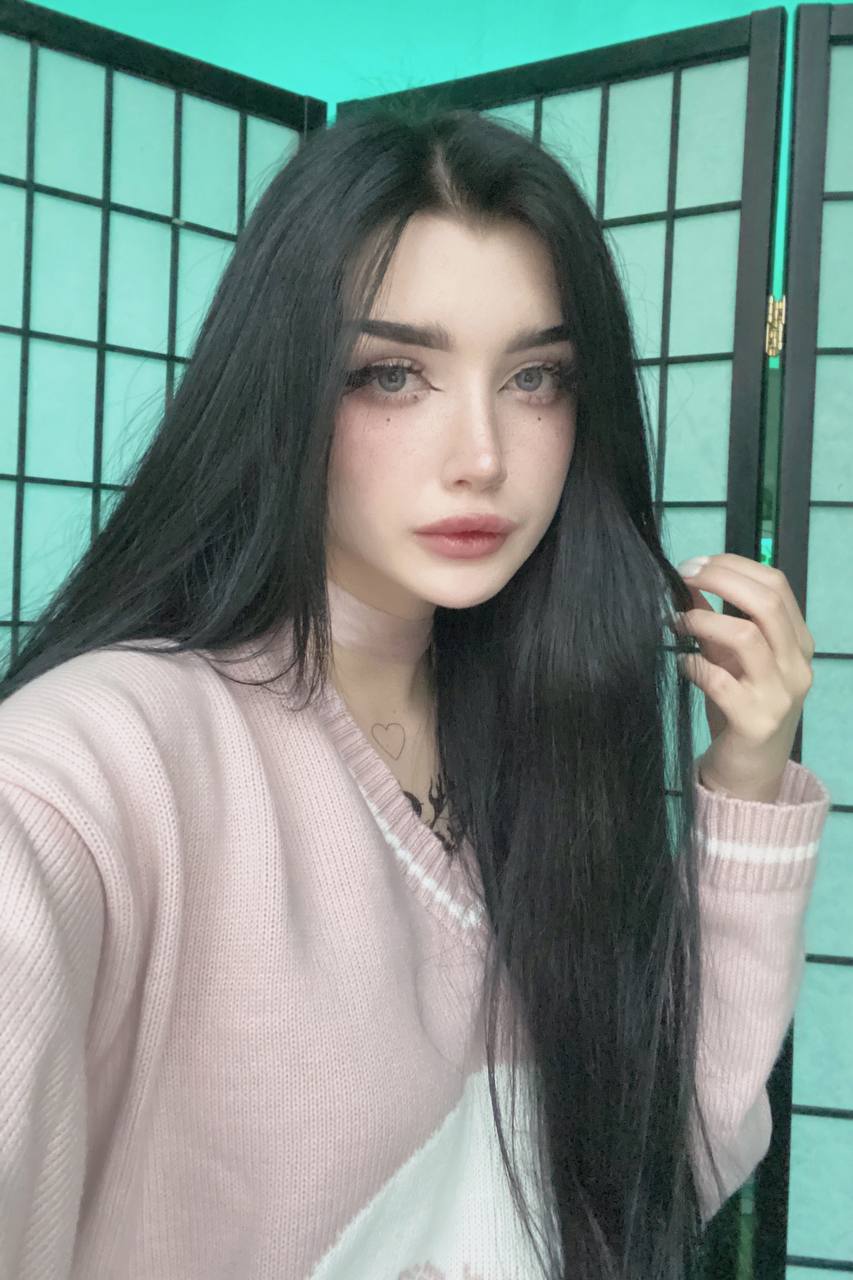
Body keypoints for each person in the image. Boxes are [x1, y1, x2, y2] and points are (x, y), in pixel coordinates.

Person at [0, 102, 831, 1280]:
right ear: (280, 384)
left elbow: (650, 1169)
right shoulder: (101, 764)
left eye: (536, 376)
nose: (481, 454)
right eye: (392, 374)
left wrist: (746, 782)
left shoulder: (536, 738)